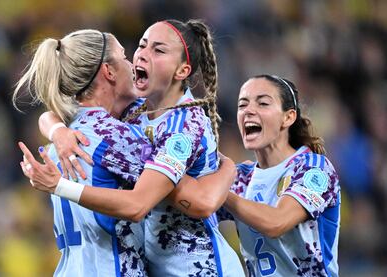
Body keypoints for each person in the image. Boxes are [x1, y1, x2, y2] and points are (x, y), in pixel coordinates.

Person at [20, 19, 245, 277]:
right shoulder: (124, 128)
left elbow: (200, 202)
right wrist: (229, 168)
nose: (137, 58)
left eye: (158, 50)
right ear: (109, 71)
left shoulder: (182, 124)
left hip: (197, 269)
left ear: (182, 71)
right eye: (139, 47)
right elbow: (194, 201)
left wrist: (55, 130)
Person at [217, 74, 340, 276]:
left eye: (263, 103)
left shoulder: (314, 168)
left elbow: (277, 222)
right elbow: (198, 206)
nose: (249, 111)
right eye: (242, 105)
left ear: (288, 117)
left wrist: (222, 191)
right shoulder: (242, 178)